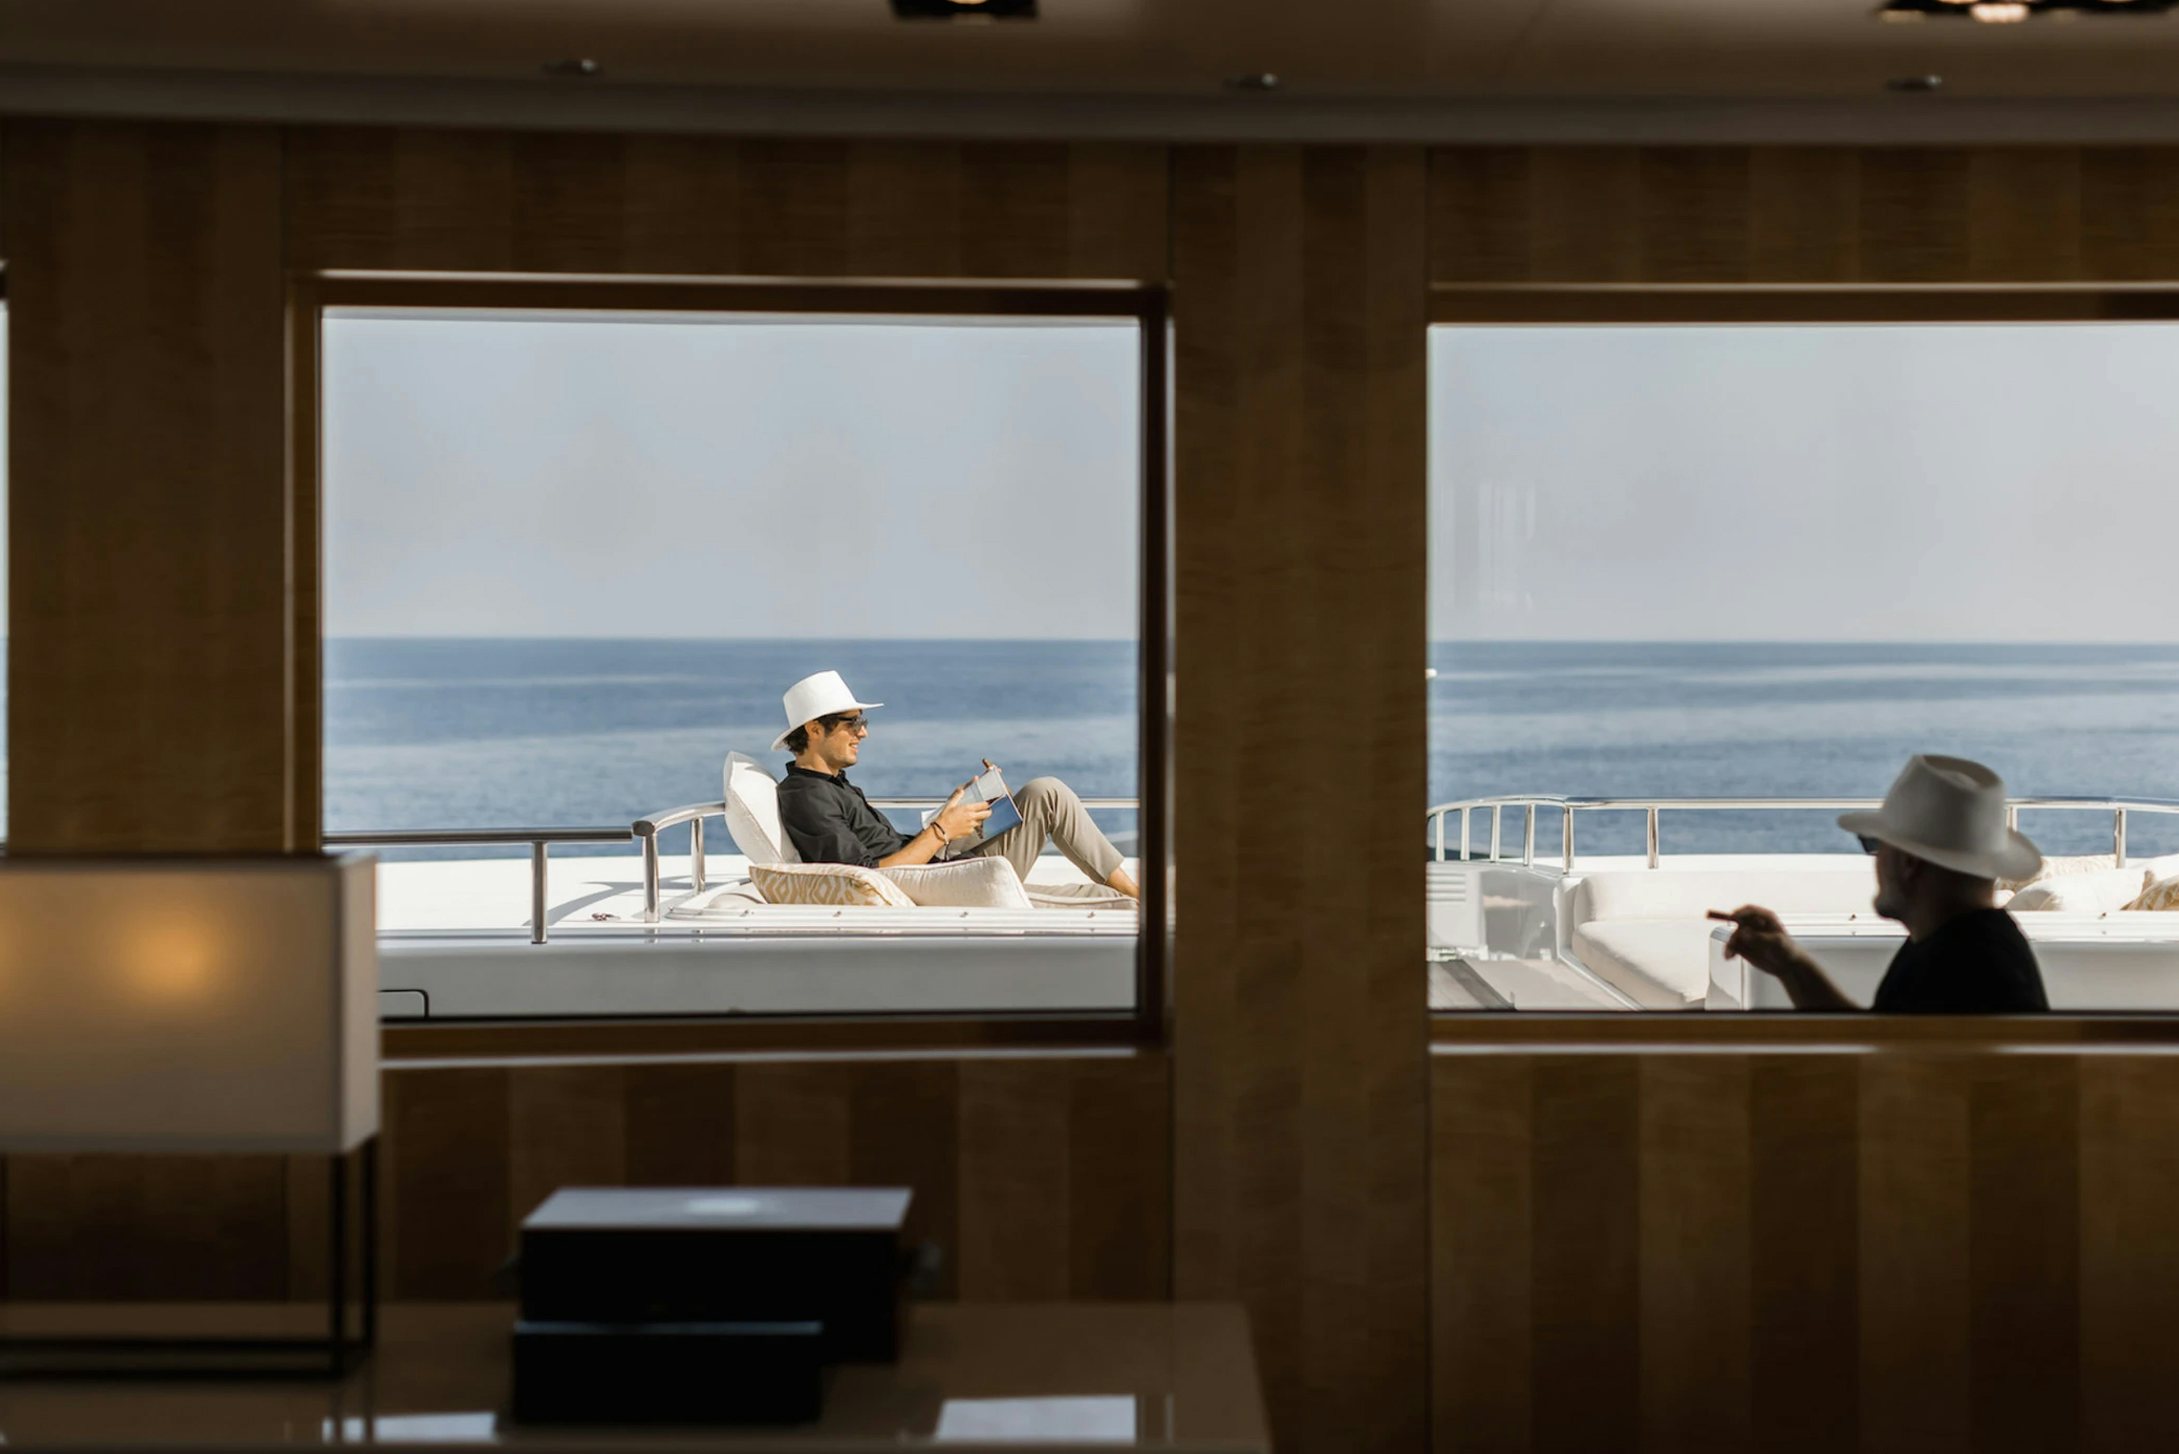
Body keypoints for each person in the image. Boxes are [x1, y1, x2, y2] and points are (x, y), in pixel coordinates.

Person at [1708, 754, 2049, 1013]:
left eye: (1876, 846)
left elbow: (1876, 1066)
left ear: (1908, 863)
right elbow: (1878, 1046)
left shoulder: (1961, 966)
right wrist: (1790, 965)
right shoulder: (1968, 944)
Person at [766, 670, 1140, 899]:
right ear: (814, 730)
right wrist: (943, 831)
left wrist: (949, 819)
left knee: (1030, 797)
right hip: (935, 884)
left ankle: (1131, 891)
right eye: (852, 723)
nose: (863, 732)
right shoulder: (806, 797)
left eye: (863, 721)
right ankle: (1137, 897)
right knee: (1048, 794)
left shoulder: (831, 784)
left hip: (932, 863)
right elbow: (867, 877)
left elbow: (889, 850)